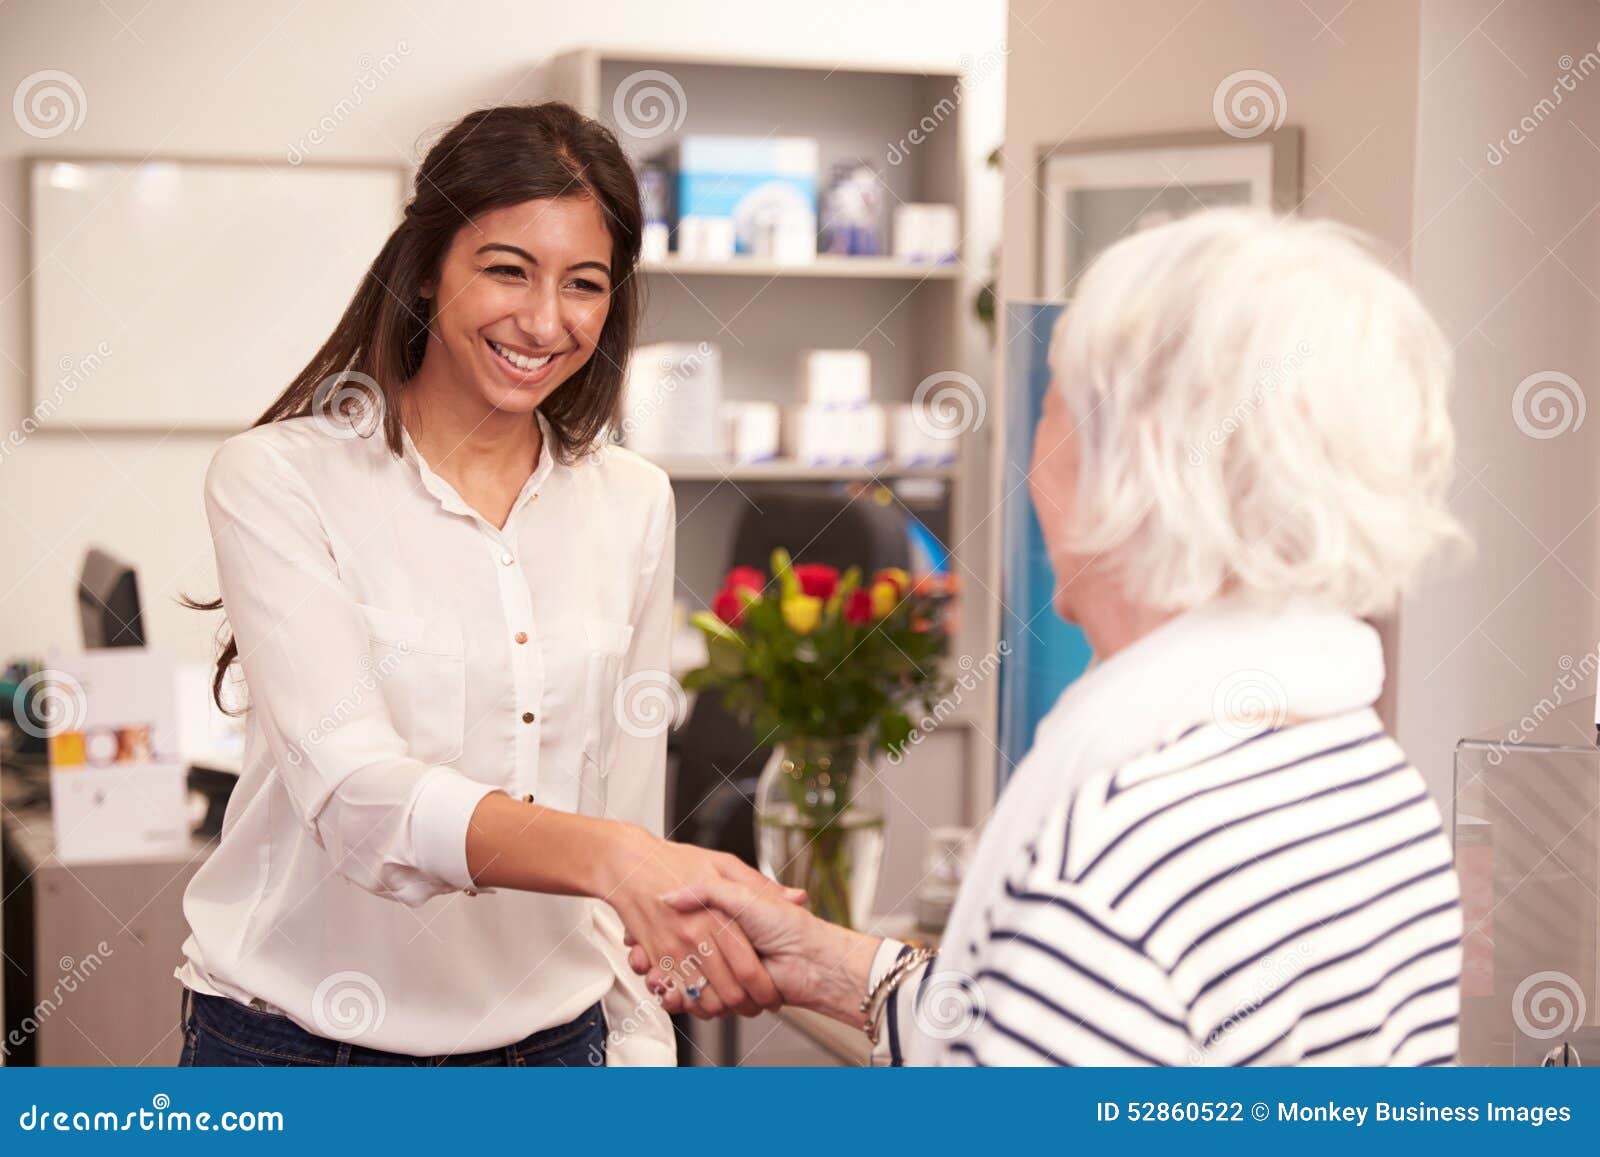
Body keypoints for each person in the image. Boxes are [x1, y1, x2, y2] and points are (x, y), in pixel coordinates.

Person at [638, 209, 1468, 1066]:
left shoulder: (1109, 860)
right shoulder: (1371, 777)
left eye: (1053, 408)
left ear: (1132, 462)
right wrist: (816, 955)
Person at [176, 102, 796, 1068]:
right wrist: (613, 858)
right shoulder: (280, 478)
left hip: (554, 1048)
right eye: (507, 268)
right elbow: (356, 797)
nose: (544, 321)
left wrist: (639, 1046)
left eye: (583, 284)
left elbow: (625, 796)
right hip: (299, 1051)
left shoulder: (632, 500)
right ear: (428, 267)